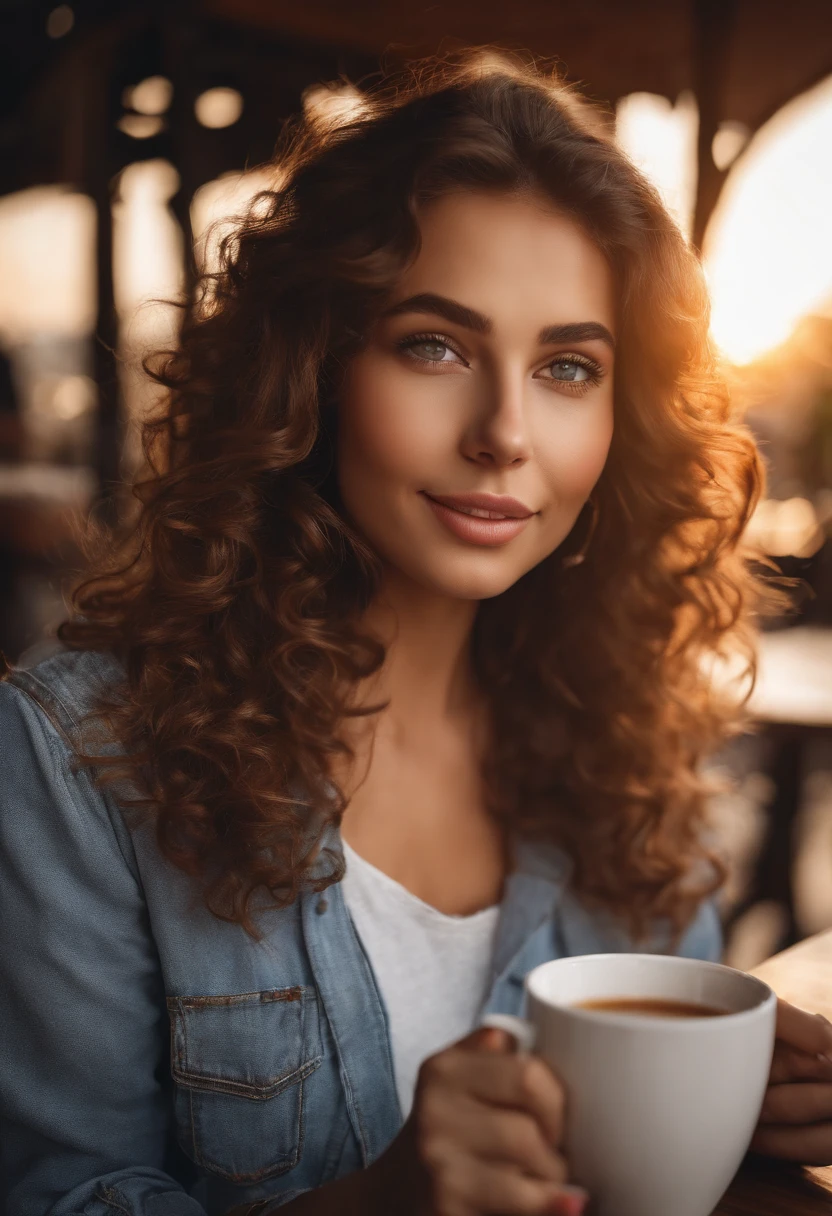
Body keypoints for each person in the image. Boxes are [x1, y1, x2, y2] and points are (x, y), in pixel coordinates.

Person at [1, 49, 831, 1216]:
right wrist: (380, 1202)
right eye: (434, 345)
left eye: (567, 367)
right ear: (313, 371)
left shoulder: (620, 740)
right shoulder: (79, 757)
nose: (503, 431)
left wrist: (723, 1104)